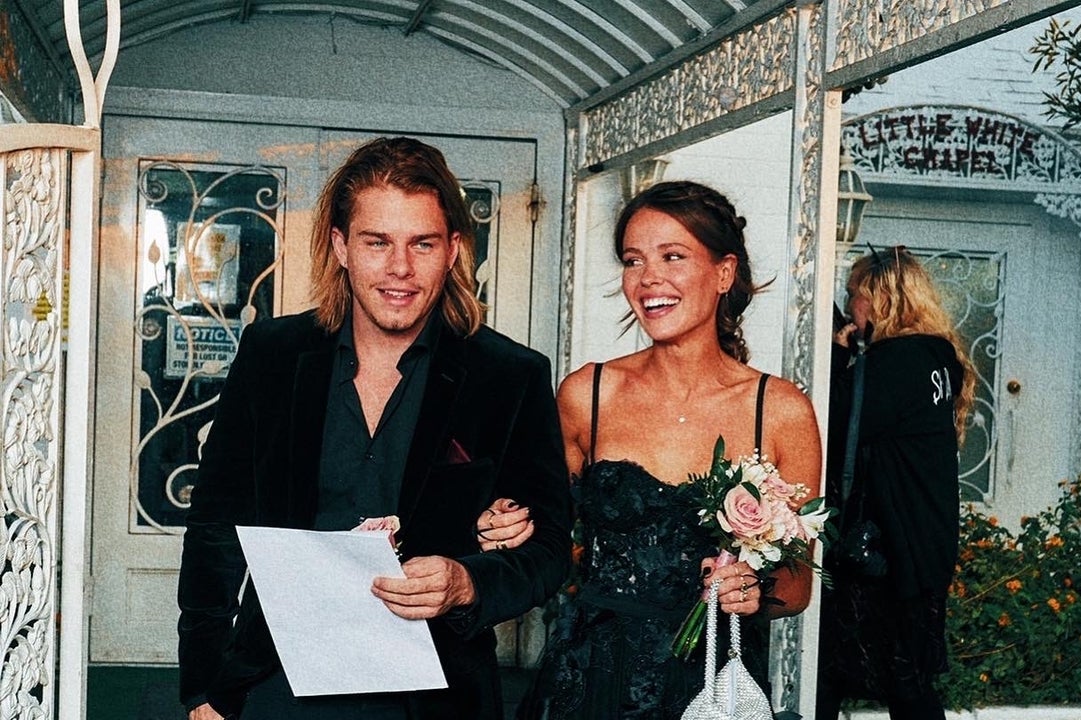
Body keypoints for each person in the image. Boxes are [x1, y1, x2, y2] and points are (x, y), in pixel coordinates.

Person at [176, 137, 572, 720]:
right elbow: (216, 527)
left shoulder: (510, 375)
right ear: (341, 245)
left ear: (453, 250)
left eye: (422, 243)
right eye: (377, 242)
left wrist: (467, 582)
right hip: (278, 682)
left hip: (437, 695)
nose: (400, 268)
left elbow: (549, 550)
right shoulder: (271, 355)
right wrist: (205, 686)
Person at [482, 180, 823, 719]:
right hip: (591, 680)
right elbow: (543, 540)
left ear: (724, 273)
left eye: (673, 256)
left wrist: (753, 587)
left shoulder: (779, 410)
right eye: (633, 260)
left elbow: (799, 586)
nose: (648, 278)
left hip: (709, 687)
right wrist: (501, 527)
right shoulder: (587, 395)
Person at [815, 246, 977, 720]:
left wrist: (837, 355)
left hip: (887, 551)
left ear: (879, 299)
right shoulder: (935, 356)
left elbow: (832, 418)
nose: (850, 307)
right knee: (907, 682)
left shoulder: (897, 361)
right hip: (921, 545)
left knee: (841, 675)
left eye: (853, 294)